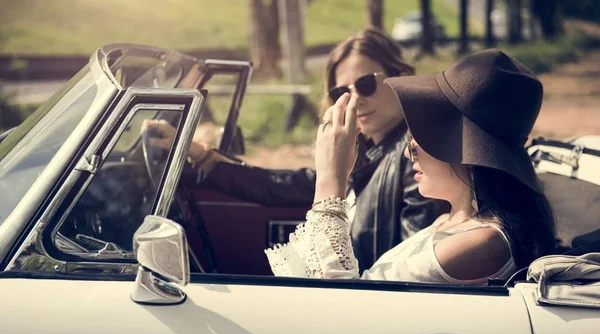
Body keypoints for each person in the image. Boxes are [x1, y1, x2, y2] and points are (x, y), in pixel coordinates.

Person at [147, 28, 448, 272]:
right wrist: (201, 154)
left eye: (366, 84)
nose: (355, 100)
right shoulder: (364, 155)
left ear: (401, 77)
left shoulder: (417, 157)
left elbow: (410, 274)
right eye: (341, 92)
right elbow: (278, 186)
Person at [265, 49, 558, 283]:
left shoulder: (481, 243)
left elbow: (340, 304)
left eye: (422, 137)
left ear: (466, 151)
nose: (409, 152)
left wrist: (331, 181)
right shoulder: (454, 221)